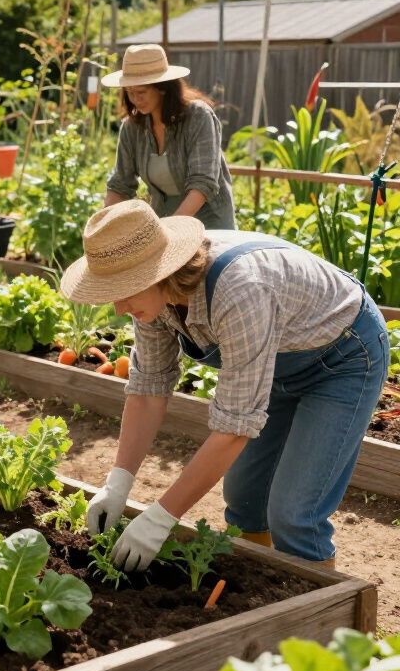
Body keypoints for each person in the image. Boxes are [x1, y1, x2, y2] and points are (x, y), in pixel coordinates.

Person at [60, 199, 389, 569]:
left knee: (294, 514)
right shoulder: (152, 301)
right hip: (279, 364)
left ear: (158, 272)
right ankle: (265, 596)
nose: (119, 308)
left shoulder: (239, 289)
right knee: (245, 499)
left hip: (343, 357)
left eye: (126, 290)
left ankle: (320, 619)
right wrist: (118, 482)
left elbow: (234, 427)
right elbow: (149, 389)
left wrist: (161, 516)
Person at [103, 43, 235, 229]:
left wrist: (173, 229)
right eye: (130, 93)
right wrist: (106, 224)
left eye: (141, 92)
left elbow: (203, 183)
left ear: (163, 88)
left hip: (209, 223)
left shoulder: (198, 117)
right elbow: (120, 184)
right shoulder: (132, 128)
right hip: (163, 222)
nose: (135, 99)